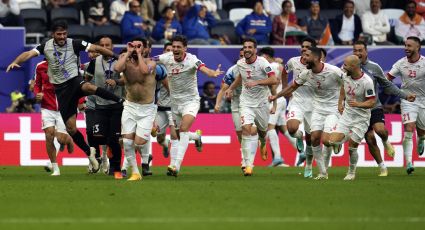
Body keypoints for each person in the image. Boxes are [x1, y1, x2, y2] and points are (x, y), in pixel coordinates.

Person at [6, 21, 123, 173]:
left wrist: (116, 56)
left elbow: (97, 48)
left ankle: (120, 100)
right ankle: (90, 153)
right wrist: (15, 61)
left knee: (88, 87)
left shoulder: (75, 43)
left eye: (64, 34)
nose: (62, 37)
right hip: (61, 90)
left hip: (75, 81)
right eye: (59, 34)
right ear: (53, 34)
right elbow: (28, 54)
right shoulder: (45, 46)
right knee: (71, 128)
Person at [272, 47, 344, 180]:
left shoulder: (333, 71)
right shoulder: (304, 71)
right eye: (303, 54)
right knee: (306, 134)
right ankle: (322, 173)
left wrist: (342, 102)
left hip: (329, 108)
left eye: (308, 55)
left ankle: (336, 142)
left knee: (325, 141)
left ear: (316, 58)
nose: (304, 57)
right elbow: (292, 85)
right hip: (309, 105)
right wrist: (276, 96)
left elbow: (347, 83)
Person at [155, 35, 223, 176]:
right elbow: (151, 60)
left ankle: (176, 166)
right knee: (180, 134)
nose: (175, 49)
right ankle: (197, 137)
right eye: (174, 47)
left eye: (178, 47)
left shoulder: (192, 60)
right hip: (175, 103)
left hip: (191, 101)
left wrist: (213, 73)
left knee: (184, 129)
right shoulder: (166, 58)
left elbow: (204, 69)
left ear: (185, 48)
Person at [352, 40, 416, 176]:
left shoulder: (374, 68)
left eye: (360, 50)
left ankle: (386, 141)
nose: (357, 53)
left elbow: (387, 85)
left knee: (380, 130)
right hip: (359, 110)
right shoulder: (347, 69)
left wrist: (404, 95)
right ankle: (382, 167)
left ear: (366, 52)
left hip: (374, 106)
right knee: (370, 139)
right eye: (355, 50)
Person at [225, 38, 279, 176]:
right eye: (245, 47)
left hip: (261, 103)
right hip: (246, 102)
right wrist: (231, 88)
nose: (247, 49)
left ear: (255, 49)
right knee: (245, 130)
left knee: (262, 131)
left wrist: (257, 82)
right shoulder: (240, 63)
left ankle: (262, 142)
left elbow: (274, 80)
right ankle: (248, 164)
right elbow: (240, 78)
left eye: (250, 47)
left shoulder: (263, 63)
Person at [323, 55, 376, 181]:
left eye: (346, 65)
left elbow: (372, 102)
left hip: (361, 118)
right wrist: (340, 102)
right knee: (331, 141)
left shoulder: (367, 82)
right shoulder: (346, 75)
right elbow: (343, 87)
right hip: (347, 116)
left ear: (354, 66)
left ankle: (351, 172)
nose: (343, 67)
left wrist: (359, 104)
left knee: (352, 146)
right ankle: (339, 142)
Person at [114, 38, 159, 181]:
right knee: (127, 142)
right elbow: (117, 69)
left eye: (139, 46)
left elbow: (145, 72)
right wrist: (128, 52)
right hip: (130, 106)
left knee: (139, 143)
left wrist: (139, 54)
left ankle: (149, 133)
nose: (135, 48)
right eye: (133, 45)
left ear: (145, 49)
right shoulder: (124, 59)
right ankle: (135, 172)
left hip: (147, 109)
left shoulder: (151, 62)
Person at [85, 36, 125, 179]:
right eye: (101, 45)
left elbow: (127, 79)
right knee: (97, 135)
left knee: (114, 139)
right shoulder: (94, 62)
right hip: (99, 106)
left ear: (112, 46)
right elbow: (86, 80)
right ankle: (101, 158)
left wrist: (117, 82)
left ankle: (116, 169)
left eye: (107, 45)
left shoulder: (120, 62)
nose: (104, 47)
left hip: (116, 106)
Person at [215, 48, 259, 173]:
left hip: (253, 104)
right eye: (240, 55)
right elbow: (223, 89)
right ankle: (245, 157)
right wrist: (218, 104)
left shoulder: (257, 67)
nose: (243, 57)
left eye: (244, 55)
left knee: (251, 130)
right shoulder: (232, 70)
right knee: (241, 133)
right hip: (237, 105)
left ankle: (248, 161)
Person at [387, 36, 425, 175]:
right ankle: (409, 162)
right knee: (409, 129)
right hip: (407, 100)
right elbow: (388, 79)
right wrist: (397, 91)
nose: (406, 48)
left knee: (422, 132)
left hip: (423, 100)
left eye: (409, 46)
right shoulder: (400, 63)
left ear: (417, 47)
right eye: (405, 45)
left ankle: (422, 139)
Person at [259, 47, 302, 167]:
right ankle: (302, 152)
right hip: (282, 99)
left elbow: (272, 82)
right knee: (284, 129)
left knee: (270, 127)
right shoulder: (279, 65)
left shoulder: (269, 67)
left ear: (266, 56)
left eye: (262, 57)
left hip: (274, 99)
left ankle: (277, 157)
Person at [280, 37, 316, 177]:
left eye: (307, 47)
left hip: (313, 104)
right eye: (303, 46)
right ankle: (298, 136)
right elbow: (284, 71)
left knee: (311, 138)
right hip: (297, 100)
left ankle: (308, 165)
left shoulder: (318, 65)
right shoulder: (293, 61)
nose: (304, 49)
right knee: (292, 128)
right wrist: (284, 88)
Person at [33, 59, 74, 176]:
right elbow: (37, 84)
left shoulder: (66, 63)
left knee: (62, 139)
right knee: (49, 135)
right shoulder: (40, 66)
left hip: (64, 106)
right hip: (47, 106)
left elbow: (74, 83)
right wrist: (37, 94)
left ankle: (69, 140)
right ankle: (55, 168)